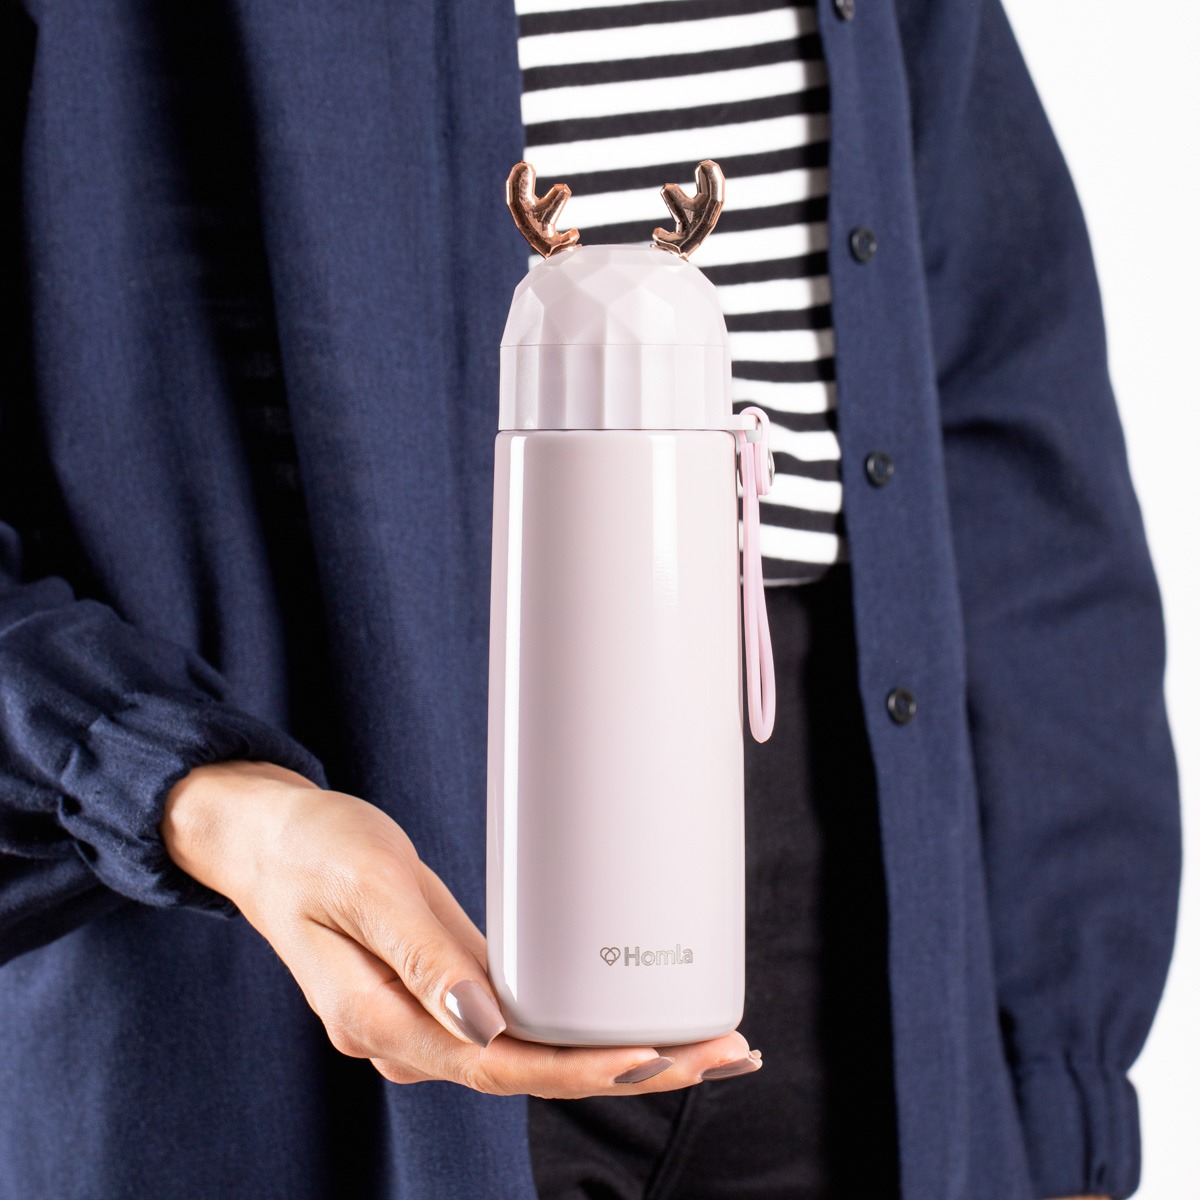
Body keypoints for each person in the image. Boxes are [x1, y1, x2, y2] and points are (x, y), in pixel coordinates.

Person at [0, 1, 1179, 1199]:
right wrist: (181, 791)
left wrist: (1062, 1090)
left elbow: (1010, 411)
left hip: (857, 920)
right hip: (259, 924)